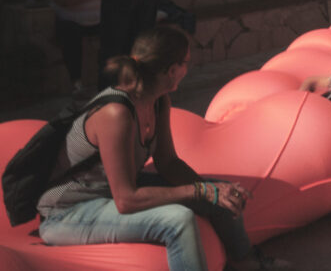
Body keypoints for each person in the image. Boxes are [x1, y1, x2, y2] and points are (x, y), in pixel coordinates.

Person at [36, 25, 284, 270]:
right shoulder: (116, 113)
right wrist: (199, 191)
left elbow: (167, 163)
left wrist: (213, 191)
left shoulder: (158, 101)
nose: (189, 68)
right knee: (178, 220)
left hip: (110, 191)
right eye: (186, 62)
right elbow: (126, 200)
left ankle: (244, 261)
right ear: (172, 70)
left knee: (219, 193)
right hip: (67, 214)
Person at [38, 0, 102, 99]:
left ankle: (111, 79)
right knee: (69, 34)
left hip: (98, 18)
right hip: (72, 20)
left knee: (117, 29)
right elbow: (66, 0)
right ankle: (77, 84)